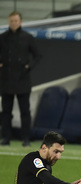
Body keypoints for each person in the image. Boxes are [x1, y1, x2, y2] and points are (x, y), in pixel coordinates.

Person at [0, 11, 42, 147]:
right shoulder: (2, 37)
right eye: (12, 21)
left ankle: (26, 139)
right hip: (6, 79)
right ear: (9, 22)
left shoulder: (27, 37)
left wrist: (29, 66)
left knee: (25, 111)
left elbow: (38, 55)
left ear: (20, 22)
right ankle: (6, 137)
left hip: (22, 79)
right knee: (6, 111)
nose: (14, 23)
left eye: (16, 21)